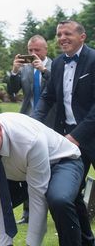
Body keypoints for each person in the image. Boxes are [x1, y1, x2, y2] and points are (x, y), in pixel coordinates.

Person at [0, 106, 85, 246]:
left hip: (62, 161)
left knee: (59, 199)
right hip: (21, 173)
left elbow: (38, 200)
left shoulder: (30, 141)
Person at [32, 19, 95, 244]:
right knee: (69, 195)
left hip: (89, 135)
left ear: (82, 36)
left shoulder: (94, 60)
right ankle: (87, 240)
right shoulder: (57, 64)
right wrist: (30, 124)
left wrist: (77, 135)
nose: (62, 38)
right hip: (66, 141)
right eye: (59, 35)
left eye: (67, 33)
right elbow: (48, 98)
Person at [6, 34, 53, 223]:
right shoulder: (24, 70)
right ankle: (27, 213)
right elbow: (12, 92)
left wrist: (43, 71)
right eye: (30, 51)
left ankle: (52, 209)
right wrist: (15, 72)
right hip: (27, 122)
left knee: (50, 166)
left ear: (46, 50)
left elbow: (58, 90)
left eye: (37, 50)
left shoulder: (55, 67)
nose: (33, 54)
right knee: (27, 167)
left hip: (50, 123)